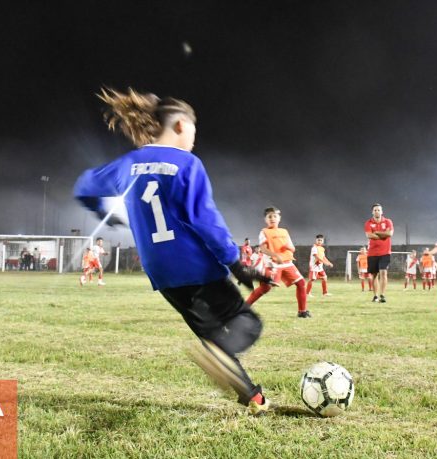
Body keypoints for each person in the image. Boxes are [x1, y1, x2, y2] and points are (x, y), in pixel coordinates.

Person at [73, 88, 271, 415]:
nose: (193, 139)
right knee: (247, 324)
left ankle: (252, 397)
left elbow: (84, 187)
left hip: (162, 273)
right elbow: (204, 218)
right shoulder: (187, 163)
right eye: (193, 129)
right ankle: (220, 356)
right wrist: (236, 263)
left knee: (213, 339)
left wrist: (104, 211)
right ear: (180, 125)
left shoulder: (129, 163)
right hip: (196, 266)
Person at [245, 207, 310, 317]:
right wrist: (275, 255)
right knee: (266, 288)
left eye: (275, 216)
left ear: (279, 218)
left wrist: (289, 247)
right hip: (273, 264)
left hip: (287, 262)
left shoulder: (284, 231)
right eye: (269, 216)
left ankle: (302, 311)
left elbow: (292, 248)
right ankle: (243, 308)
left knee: (301, 283)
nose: (272, 218)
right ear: (265, 219)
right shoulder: (264, 232)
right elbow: (263, 249)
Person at [364, 203, 393, 303]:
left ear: (382, 211)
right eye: (375, 210)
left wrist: (376, 232)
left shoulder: (388, 221)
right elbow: (369, 235)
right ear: (372, 212)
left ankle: (382, 295)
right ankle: (375, 296)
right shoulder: (368, 223)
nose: (377, 211)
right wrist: (383, 235)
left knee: (383, 272)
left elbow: (390, 234)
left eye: (378, 210)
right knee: (374, 275)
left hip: (385, 252)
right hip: (372, 253)